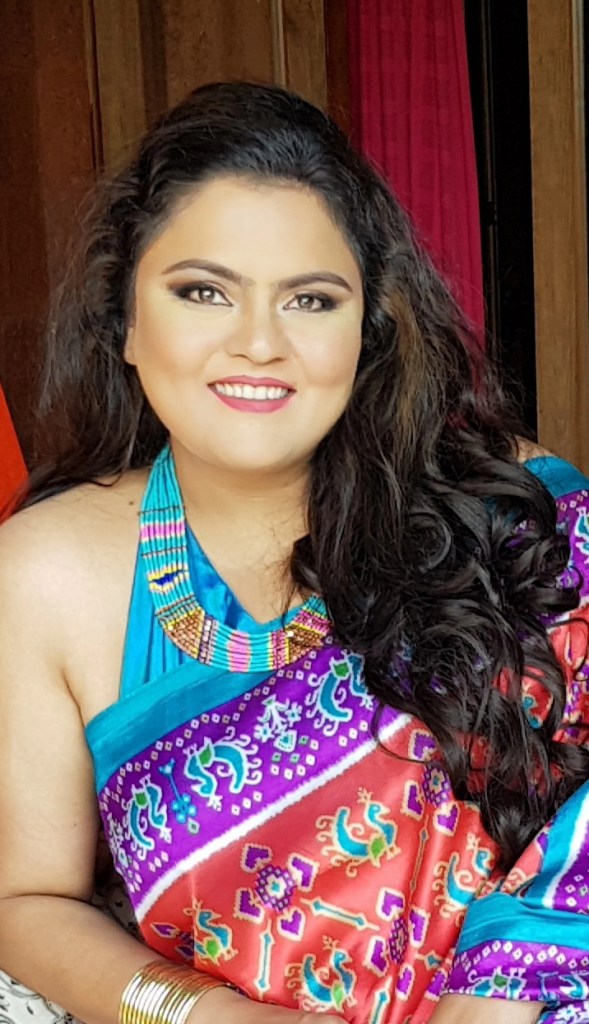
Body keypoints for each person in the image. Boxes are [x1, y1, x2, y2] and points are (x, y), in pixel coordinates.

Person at [0, 81, 587, 1024]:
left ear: (367, 331)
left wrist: (503, 988)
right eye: (203, 292)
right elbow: (27, 902)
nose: (259, 344)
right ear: (126, 322)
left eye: (310, 300)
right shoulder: (45, 575)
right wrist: (211, 1017)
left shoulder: (514, 514)